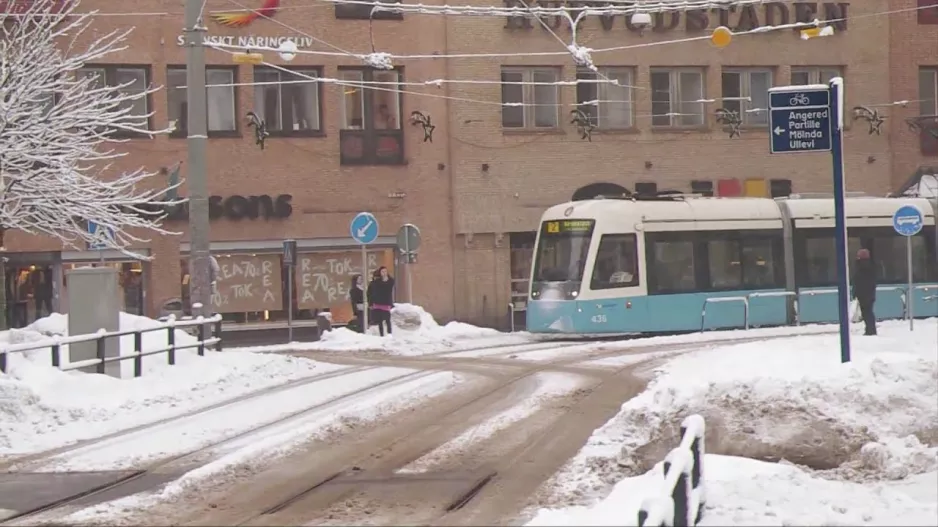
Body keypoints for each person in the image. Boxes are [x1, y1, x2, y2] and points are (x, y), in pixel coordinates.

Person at [852, 248, 877, 336]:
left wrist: (855, 293)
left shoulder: (861, 266)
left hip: (864, 294)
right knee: (868, 312)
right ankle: (870, 329)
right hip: (869, 293)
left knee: (866, 313)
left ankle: (870, 330)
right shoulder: (871, 265)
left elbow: (858, 281)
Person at [367, 266, 395, 336]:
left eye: (385, 271)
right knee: (380, 320)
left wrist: (387, 280)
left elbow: (390, 286)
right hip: (378, 303)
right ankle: (381, 334)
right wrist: (371, 303)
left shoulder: (390, 280)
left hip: (386, 302)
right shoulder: (376, 282)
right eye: (382, 271)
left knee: (387, 319)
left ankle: (389, 333)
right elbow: (371, 292)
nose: (384, 273)